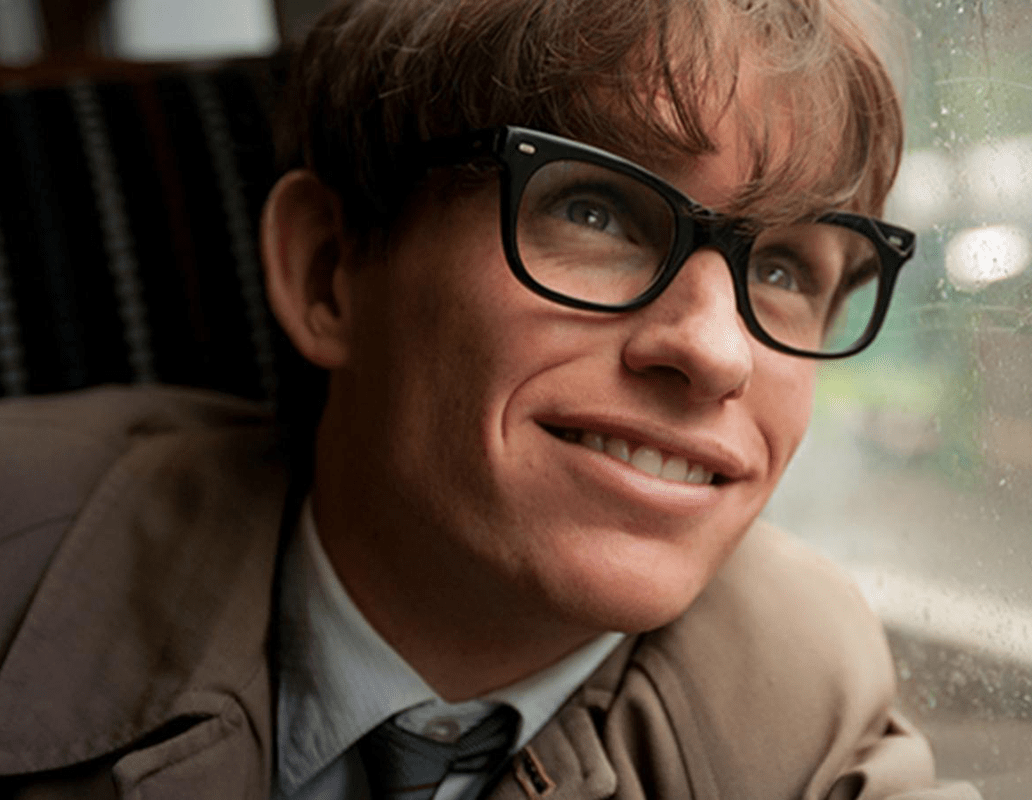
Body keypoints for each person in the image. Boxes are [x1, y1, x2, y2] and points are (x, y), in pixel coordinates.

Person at [0, 0, 981, 798]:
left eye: (782, 267)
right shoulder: (20, 546)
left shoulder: (800, 696)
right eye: (594, 210)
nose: (717, 351)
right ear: (330, 271)